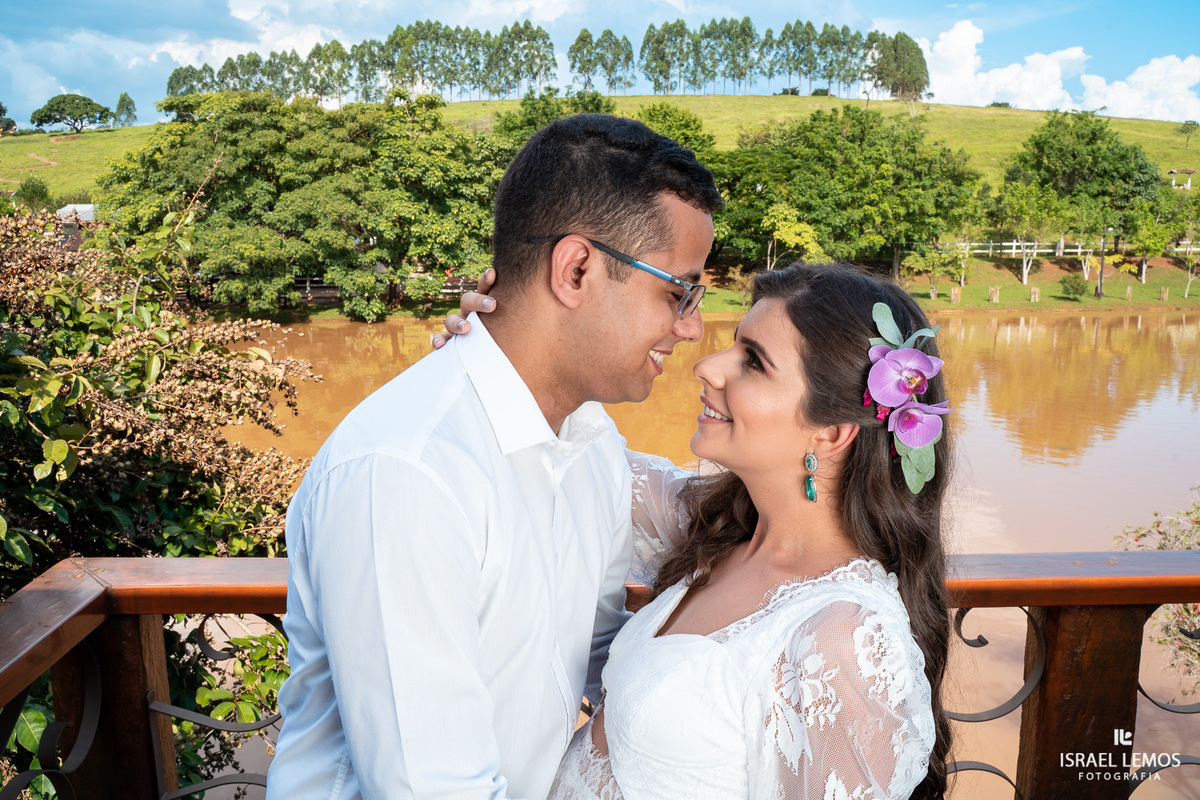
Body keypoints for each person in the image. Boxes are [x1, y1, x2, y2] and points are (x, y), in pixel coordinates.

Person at [266, 113, 723, 799]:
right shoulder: (407, 473)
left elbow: (598, 657)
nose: (690, 327)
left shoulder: (590, 443)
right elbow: (431, 787)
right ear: (576, 270)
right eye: (678, 291)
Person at [449, 262, 953, 799]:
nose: (709, 367)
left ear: (830, 433)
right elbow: (569, 453)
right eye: (735, 346)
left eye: (753, 363)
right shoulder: (716, 527)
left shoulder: (842, 637)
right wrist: (499, 348)